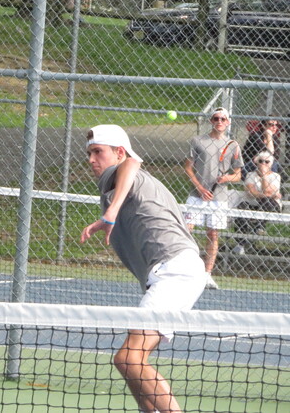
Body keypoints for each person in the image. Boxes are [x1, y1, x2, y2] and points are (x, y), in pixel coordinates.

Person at [80, 124, 205, 413]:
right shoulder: (121, 186)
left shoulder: (124, 172)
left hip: (175, 270)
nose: (91, 160)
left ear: (119, 153)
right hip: (173, 272)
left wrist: (110, 212)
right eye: (88, 153)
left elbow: (133, 164)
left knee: (128, 359)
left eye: (97, 152)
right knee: (131, 365)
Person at [184, 107, 243, 290]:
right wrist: (200, 188)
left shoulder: (233, 145)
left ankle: (207, 275)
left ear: (228, 122)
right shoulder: (197, 141)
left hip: (219, 197)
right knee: (185, 231)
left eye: (223, 119)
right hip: (197, 196)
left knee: (213, 234)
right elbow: (187, 167)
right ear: (211, 120)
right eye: (216, 118)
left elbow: (238, 175)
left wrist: (227, 178)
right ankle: (184, 269)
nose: (219, 122)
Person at [233, 150, 282, 255]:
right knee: (242, 206)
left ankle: (259, 226)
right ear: (256, 162)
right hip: (252, 203)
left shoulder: (276, 176)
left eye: (267, 162)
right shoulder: (251, 174)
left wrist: (264, 176)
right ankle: (240, 243)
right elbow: (250, 192)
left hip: (269, 205)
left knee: (267, 201)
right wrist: (266, 194)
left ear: (271, 164)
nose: (263, 163)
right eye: (261, 161)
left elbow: (268, 192)